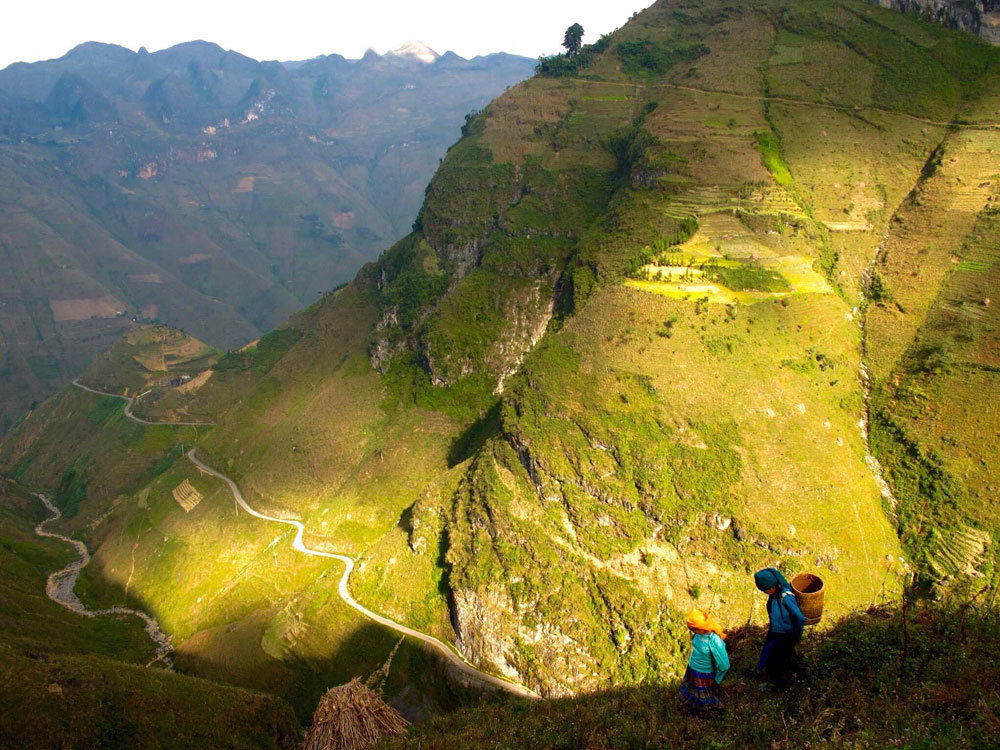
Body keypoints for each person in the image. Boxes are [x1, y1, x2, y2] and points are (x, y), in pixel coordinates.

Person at [754, 567, 806, 690]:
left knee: (777, 661)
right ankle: (792, 678)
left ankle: (780, 686)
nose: (765, 593)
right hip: (776, 632)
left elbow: (799, 617)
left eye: (766, 590)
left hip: (785, 635)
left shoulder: (785, 596)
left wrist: (797, 636)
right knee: (778, 657)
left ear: (772, 586)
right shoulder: (775, 594)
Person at [679, 607, 730, 711]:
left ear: (701, 627)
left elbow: (724, 665)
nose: (691, 631)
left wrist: (717, 680)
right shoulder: (698, 635)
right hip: (693, 669)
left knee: (704, 698)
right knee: (693, 692)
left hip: (703, 673)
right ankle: (693, 708)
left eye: (692, 629)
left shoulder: (714, 641)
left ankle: (707, 713)